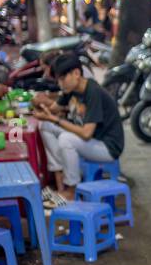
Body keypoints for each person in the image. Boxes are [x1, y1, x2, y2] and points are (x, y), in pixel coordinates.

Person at [32, 55, 124, 204]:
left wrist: (54, 119)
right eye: (58, 80)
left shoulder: (92, 91)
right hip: (91, 141)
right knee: (46, 126)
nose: (60, 84)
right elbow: (54, 109)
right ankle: (60, 181)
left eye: (63, 79)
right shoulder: (72, 90)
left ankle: (71, 190)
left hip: (107, 147)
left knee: (65, 139)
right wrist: (40, 107)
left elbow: (86, 134)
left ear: (76, 73)